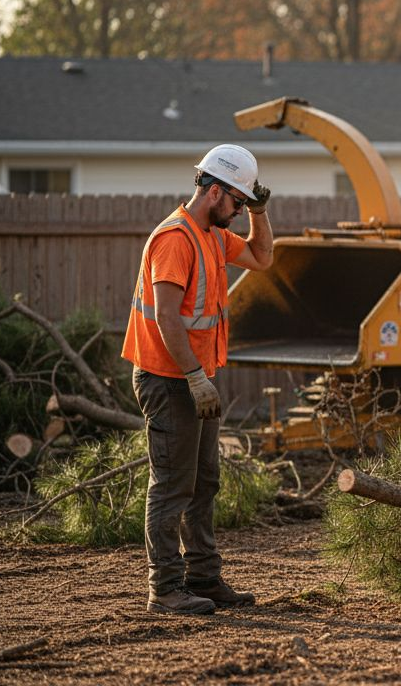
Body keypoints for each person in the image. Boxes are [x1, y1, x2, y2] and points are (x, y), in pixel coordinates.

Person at [121, 144, 273, 615]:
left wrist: (261, 213)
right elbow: (168, 317)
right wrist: (194, 377)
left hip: (195, 378)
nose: (241, 209)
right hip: (170, 381)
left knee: (204, 482)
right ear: (213, 192)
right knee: (171, 485)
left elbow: (262, 258)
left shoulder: (211, 234)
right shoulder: (175, 239)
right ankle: (164, 588)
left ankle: (204, 577)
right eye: (239, 202)